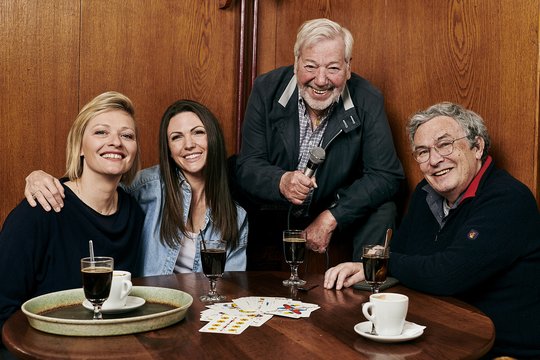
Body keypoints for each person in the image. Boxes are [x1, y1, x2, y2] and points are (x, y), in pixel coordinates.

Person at [323, 102, 540, 359]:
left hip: (501, 350)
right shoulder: (424, 195)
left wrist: (380, 263)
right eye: (422, 152)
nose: (435, 160)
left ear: (477, 147)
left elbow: (450, 273)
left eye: (445, 144)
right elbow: (403, 258)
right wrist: (370, 270)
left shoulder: (508, 199)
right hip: (437, 339)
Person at [233, 18, 404, 269]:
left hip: (334, 204)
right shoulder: (266, 89)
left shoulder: (368, 99)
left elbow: (387, 176)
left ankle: (364, 287)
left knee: (384, 207)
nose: (321, 80)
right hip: (274, 209)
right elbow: (247, 165)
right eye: (310, 66)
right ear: (296, 63)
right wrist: (281, 181)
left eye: (333, 68)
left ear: (347, 67)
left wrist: (333, 216)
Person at [24, 99, 248, 275]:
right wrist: (40, 178)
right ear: (168, 149)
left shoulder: (236, 216)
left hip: (200, 321)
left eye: (198, 132)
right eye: (176, 137)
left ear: (214, 138)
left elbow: (228, 289)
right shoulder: (147, 187)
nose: (189, 144)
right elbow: (94, 190)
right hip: (149, 315)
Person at [0, 91, 144, 348]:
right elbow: (3, 308)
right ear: (79, 146)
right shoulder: (41, 209)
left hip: (111, 348)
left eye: (127, 135)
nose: (116, 142)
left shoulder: (134, 212)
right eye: (101, 132)